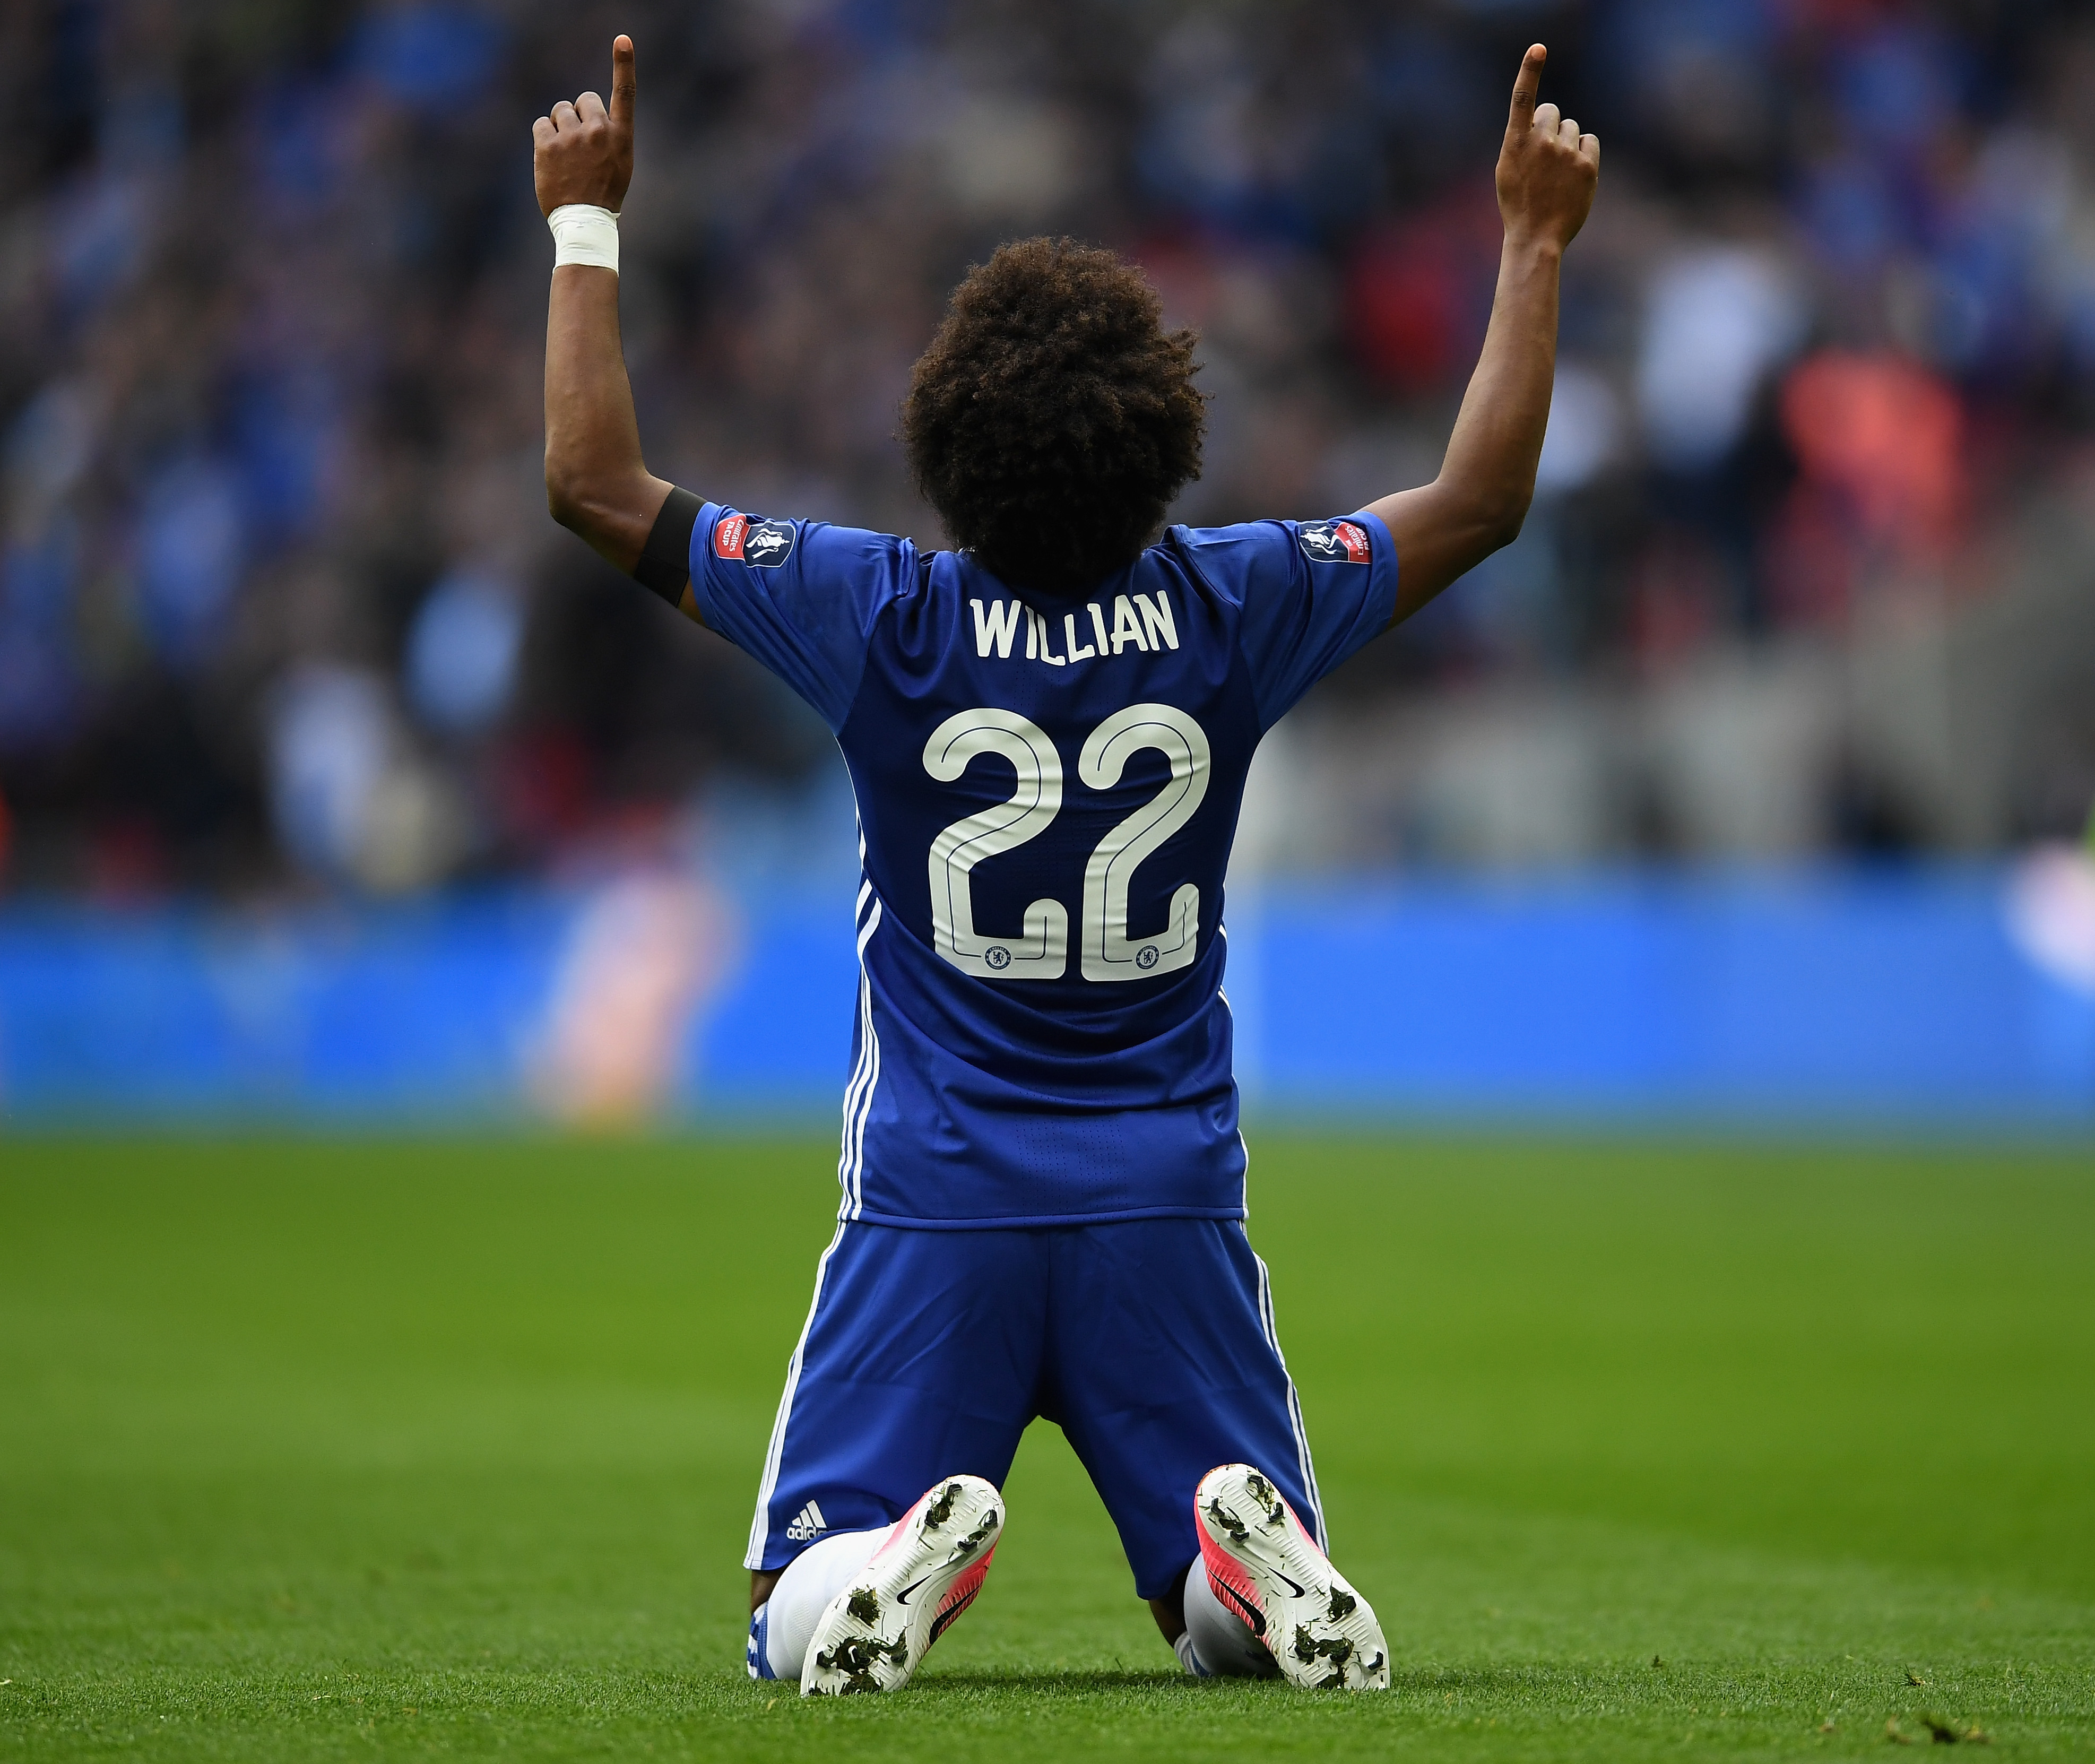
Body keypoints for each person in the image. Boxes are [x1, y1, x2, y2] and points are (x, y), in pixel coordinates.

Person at [533, 33, 1598, 1697]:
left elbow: (594, 484)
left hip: (937, 1190)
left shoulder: (876, 615)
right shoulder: (1237, 603)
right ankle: (1238, 1578)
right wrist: (1532, 244)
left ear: (945, 439)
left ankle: (885, 1563)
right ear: (1161, 436)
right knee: (1206, 1604)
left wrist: (584, 224)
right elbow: (1479, 497)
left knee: (784, 1606)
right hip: (1165, 1200)